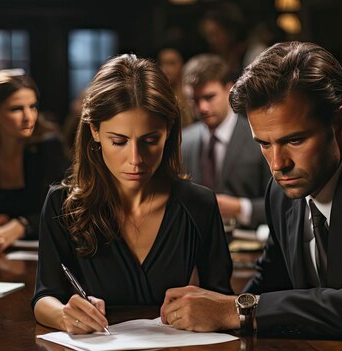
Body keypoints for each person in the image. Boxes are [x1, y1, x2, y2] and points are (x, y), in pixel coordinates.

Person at [160, 41, 342, 350]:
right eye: (264, 143)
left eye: (294, 140)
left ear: (341, 124)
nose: (278, 164)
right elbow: (265, 288)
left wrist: (234, 308)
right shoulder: (280, 195)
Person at [32, 54, 233, 334]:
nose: (136, 159)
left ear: (168, 132)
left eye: (150, 141)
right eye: (119, 141)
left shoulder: (198, 204)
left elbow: (220, 300)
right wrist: (64, 315)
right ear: (95, 132)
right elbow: (44, 296)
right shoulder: (62, 204)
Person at [0, 69, 69, 252]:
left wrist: (21, 225)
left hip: (47, 252)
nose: (28, 117)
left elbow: (63, 212)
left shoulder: (49, 149)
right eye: (17, 109)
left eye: (32, 107)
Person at [181, 54, 269, 230]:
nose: (202, 108)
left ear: (229, 89)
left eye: (209, 97)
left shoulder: (259, 137)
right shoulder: (184, 141)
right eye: (194, 100)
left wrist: (240, 209)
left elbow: (285, 204)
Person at [156, 45, 194, 128]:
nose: (166, 69)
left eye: (171, 63)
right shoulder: (156, 95)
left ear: (182, 65)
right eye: (162, 64)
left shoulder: (190, 93)